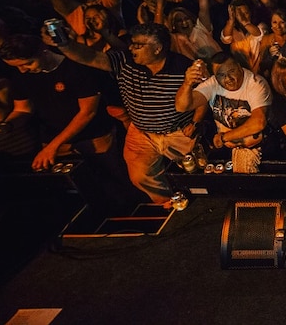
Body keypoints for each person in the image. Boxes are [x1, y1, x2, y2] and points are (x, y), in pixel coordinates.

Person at [48, 22, 203, 207]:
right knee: (140, 176)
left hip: (178, 132)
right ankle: (170, 202)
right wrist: (64, 44)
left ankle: (201, 201)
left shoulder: (183, 67)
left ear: (157, 48)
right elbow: (89, 57)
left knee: (197, 169)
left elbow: (203, 98)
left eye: (138, 45)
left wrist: (195, 121)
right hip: (141, 132)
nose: (131, 48)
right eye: (132, 43)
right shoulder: (124, 61)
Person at [0, 34, 140, 212]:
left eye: (27, 63)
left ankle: (132, 215)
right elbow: (23, 109)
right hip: (54, 140)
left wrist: (52, 146)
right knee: (79, 189)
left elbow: (87, 112)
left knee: (115, 181)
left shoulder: (75, 66)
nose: (23, 70)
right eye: (17, 66)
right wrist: (7, 125)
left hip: (94, 137)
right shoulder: (21, 75)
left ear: (42, 50)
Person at [175, 52, 271, 172]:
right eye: (221, 75)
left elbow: (259, 122)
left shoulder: (256, 84)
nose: (228, 79)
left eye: (231, 71)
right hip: (226, 149)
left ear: (239, 67)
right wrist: (187, 83)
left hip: (257, 149)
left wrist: (224, 137)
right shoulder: (213, 83)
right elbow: (181, 106)